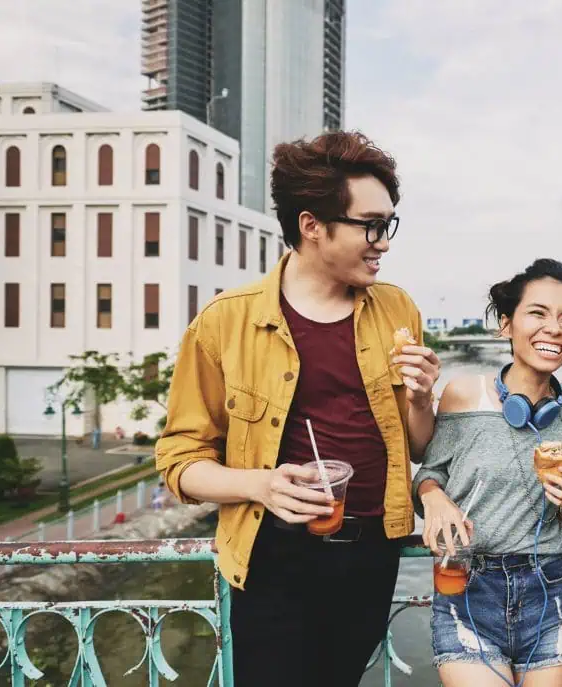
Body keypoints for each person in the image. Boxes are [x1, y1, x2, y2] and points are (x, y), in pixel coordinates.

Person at [155, 131, 442, 686]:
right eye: (370, 225)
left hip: (373, 551)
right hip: (272, 555)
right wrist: (261, 485)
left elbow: (420, 445)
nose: (383, 242)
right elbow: (178, 460)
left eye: (389, 224)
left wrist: (421, 396)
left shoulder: (397, 307)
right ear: (312, 225)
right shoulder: (224, 322)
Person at [412, 259, 562, 687]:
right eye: (538, 313)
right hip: (466, 586)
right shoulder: (463, 393)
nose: (554, 328)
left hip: (548, 590)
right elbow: (427, 473)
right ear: (506, 325)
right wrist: (434, 499)